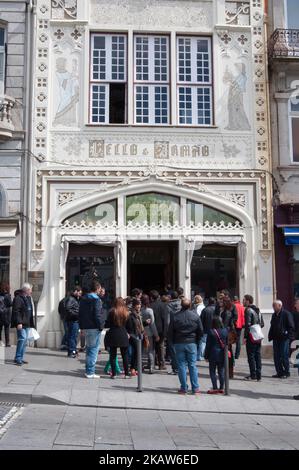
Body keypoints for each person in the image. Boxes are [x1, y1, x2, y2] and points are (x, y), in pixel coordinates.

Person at [168, 298, 203, 395]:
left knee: (181, 366)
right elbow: (200, 330)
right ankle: (195, 388)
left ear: (181, 306)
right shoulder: (195, 316)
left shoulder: (175, 317)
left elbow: (170, 331)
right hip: (191, 342)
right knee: (192, 365)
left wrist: (171, 343)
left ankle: (184, 388)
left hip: (179, 342)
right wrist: (197, 341)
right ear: (190, 306)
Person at [79, 281, 105, 379]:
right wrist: (100, 326)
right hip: (94, 327)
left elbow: (80, 314)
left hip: (86, 327)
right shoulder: (96, 300)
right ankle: (90, 372)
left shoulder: (83, 299)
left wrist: (81, 327)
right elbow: (97, 315)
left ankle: (88, 370)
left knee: (89, 349)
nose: (100, 290)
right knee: (93, 350)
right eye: (99, 289)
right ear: (97, 288)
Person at [105, 297, 130, 379]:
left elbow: (107, 324)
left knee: (113, 355)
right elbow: (128, 325)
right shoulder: (126, 312)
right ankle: (127, 374)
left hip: (113, 333)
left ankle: (114, 374)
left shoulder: (112, 311)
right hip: (123, 333)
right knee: (125, 355)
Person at [268, 300, 295, 379]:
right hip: (276, 338)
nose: (273, 307)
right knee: (276, 356)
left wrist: (288, 335)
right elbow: (272, 326)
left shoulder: (286, 314)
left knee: (284, 355)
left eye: (274, 306)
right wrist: (270, 335)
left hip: (284, 338)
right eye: (273, 306)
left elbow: (291, 326)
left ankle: (286, 372)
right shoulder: (274, 315)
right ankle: (279, 372)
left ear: (280, 306)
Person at [11, 283, 35, 366]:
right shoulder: (18, 298)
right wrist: (18, 323)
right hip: (21, 323)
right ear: (26, 290)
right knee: (22, 339)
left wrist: (31, 323)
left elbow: (30, 311)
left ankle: (20, 357)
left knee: (24, 341)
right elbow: (16, 311)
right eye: (30, 289)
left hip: (27, 323)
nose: (31, 291)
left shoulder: (28, 298)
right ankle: (18, 358)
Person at [243, 295, 264, 381]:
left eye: (244, 300)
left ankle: (253, 375)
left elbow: (247, 325)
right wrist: (257, 327)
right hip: (258, 336)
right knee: (257, 355)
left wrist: (245, 336)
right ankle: (258, 375)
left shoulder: (248, 310)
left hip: (251, 336)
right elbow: (262, 324)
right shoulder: (258, 310)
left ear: (248, 301)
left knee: (251, 356)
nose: (243, 301)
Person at [205, 316, 228, 394]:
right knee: (221, 371)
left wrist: (206, 355)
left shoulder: (211, 331)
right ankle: (222, 387)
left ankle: (215, 387)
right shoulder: (225, 331)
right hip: (222, 353)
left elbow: (208, 345)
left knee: (212, 371)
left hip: (213, 353)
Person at [150, 290, 169, 371]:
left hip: (151, 329)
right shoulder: (164, 305)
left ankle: (152, 364)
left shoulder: (150, 306)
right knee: (160, 347)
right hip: (161, 329)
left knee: (152, 347)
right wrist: (165, 331)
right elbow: (165, 320)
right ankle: (161, 364)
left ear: (151, 298)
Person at [141, 294, 159, 374]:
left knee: (140, 350)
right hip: (149, 333)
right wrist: (156, 334)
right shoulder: (150, 311)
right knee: (150, 350)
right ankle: (151, 367)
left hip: (141, 332)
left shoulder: (140, 310)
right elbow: (152, 324)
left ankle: (141, 366)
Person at [126, 298, 144, 376]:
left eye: (140, 304)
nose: (139, 306)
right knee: (136, 352)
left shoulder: (138, 314)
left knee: (137, 352)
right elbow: (129, 327)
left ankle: (135, 368)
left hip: (138, 335)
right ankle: (133, 368)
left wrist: (145, 323)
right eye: (137, 305)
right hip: (133, 336)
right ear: (134, 306)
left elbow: (139, 325)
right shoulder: (131, 315)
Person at [64, 286, 82, 358]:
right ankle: (72, 351)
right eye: (79, 293)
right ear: (76, 291)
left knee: (73, 336)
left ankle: (73, 351)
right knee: (72, 336)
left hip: (74, 320)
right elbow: (68, 308)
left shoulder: (74, 299)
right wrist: (76, 314)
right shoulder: (71, 299)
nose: (80, 294)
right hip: (73, 320)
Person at [167, 291, 181, 375]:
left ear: (171, 297)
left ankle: (175, 368)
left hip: (172, 329)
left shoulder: (168, 306)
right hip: (181, 329)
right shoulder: (181, 304)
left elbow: (168, 320)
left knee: (172, 350)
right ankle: (180, 367)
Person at [193, 295, 206, 361]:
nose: (194, 301)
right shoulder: (203, 306)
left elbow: (197, 318)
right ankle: (200, 355)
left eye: (195, 299)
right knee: (202, 341)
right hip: (203, 326)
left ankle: (199, 355)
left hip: (199, 327)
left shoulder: (198, 308)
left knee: (201, 342)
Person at [0, 282, 13, 347]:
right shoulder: (7, 295)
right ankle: (7, 342)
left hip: (0, 314)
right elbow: (10, 304)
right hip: (6, 315)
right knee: (6, 329)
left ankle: (0, 341)